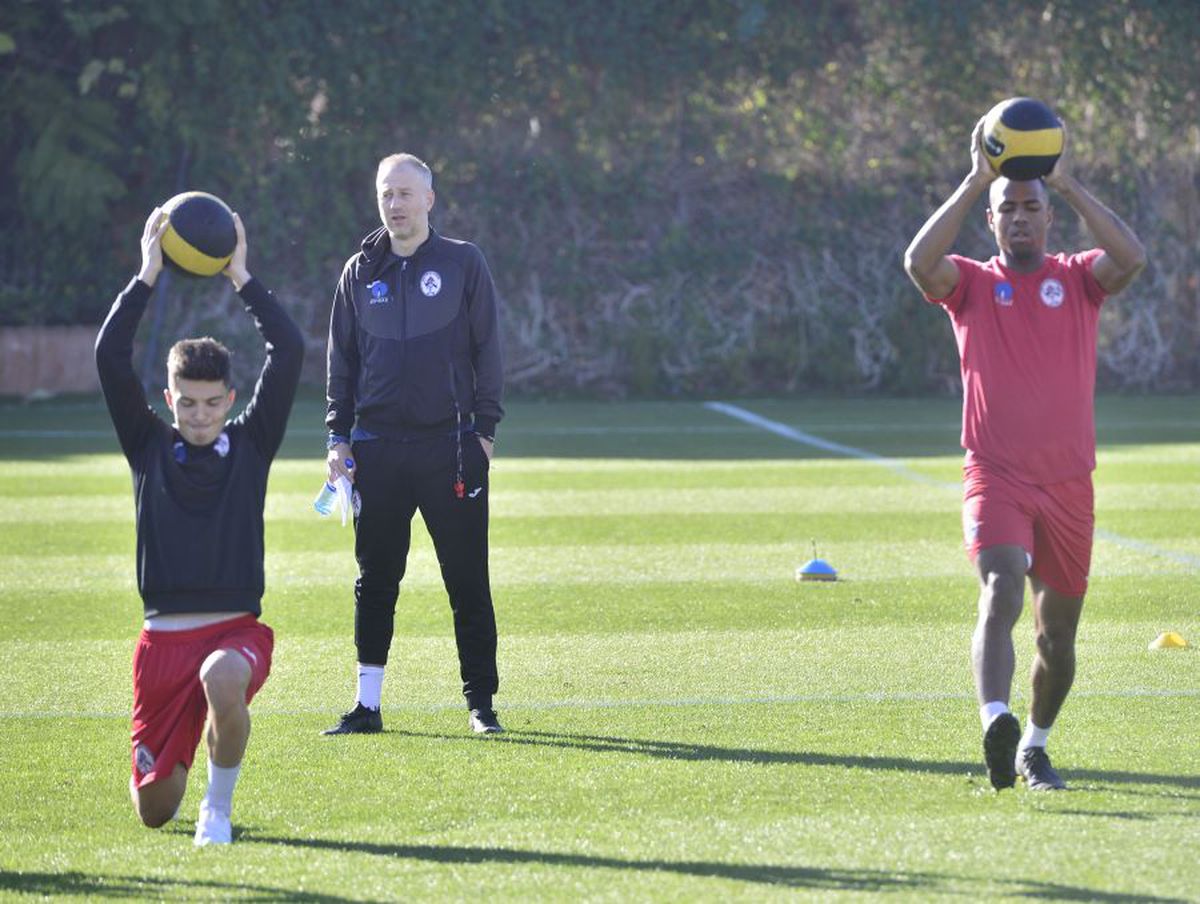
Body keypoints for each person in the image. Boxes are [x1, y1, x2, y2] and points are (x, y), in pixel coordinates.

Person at [903, 119, 1146, 790]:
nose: (1018, 217)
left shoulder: (1078, 278)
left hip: (1068, 484)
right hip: (996, 475)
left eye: (1030, 207)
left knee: (1056, 639)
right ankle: (996, 720)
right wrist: (974, 179)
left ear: (1047, 217)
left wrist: (1067, 182)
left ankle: (1034, 745)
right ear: (991, 221)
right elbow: (919, 264)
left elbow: (1130, 258)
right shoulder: (971, 284)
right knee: (1000, 585)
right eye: (1006, 208)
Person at [95, 206, 304, 844]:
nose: (200, 414)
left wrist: (241, 275)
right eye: (187, 402)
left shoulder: (252, 444)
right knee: (154, 809)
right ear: (169, 399)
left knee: (222, 677)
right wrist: (147, 274)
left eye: (213, 402)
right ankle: (180, 754)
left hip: (234, 632)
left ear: (230, 400)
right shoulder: (148, 445)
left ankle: (217, 809)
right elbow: (110, 355)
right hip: (161, 648)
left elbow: (289, 349)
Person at [323, 153, 505, 736]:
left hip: (451, 448)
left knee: (467, 580)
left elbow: (489, 349)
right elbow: (341, 361)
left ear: (429, 199)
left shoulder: (462, 262)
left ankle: (481, 705)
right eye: (386, 193)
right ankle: (367, 705)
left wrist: (485, 432)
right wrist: (337, 437)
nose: (395, 204)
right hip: (376, 449)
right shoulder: (358, 272)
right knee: (375, 580)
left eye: (405, 193)